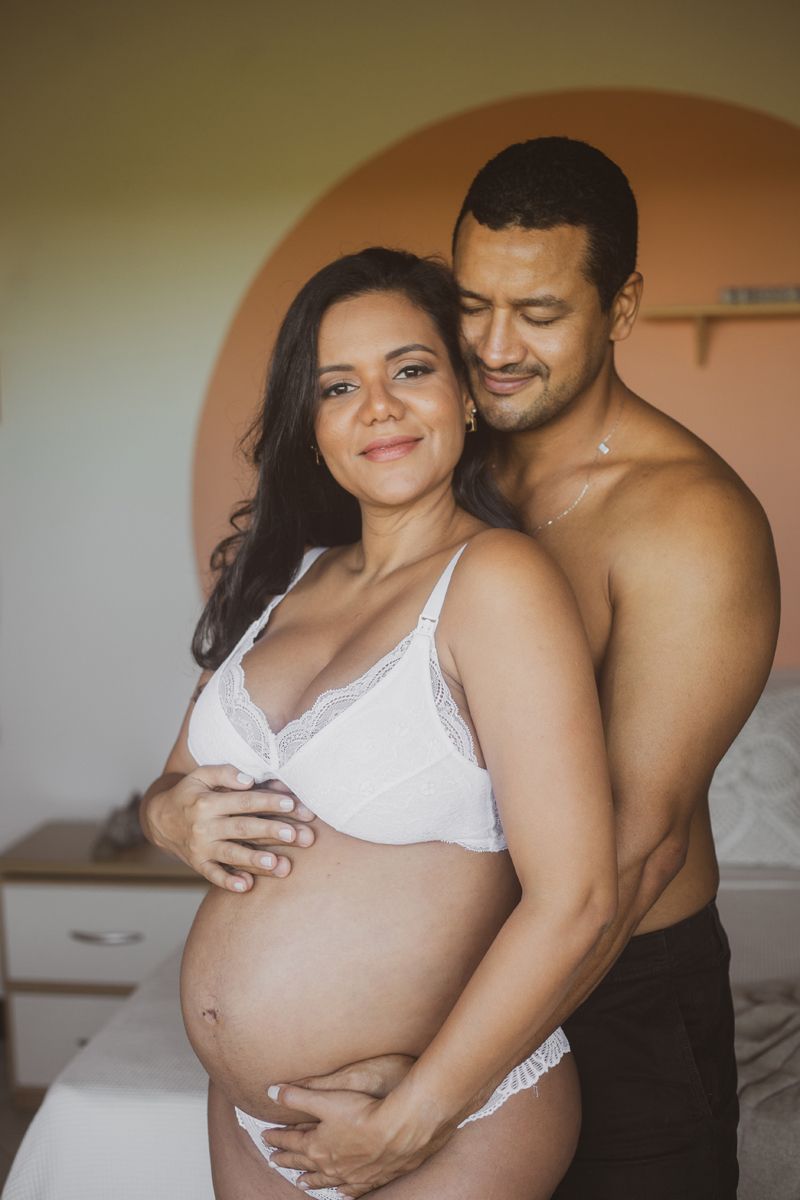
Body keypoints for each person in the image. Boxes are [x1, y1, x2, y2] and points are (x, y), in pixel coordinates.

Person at [142, 139, 780, 1198]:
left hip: (615, 987)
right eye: (472, 306)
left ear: (620, 307)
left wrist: (439, 1084)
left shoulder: (686, 522)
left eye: (539, 313)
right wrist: (172, 812)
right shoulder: (426, 453)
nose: (493, 345)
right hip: (440, 1001)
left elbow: (629, 855)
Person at [146, 246, 618, 1199]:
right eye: (338, 386)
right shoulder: (287, 579)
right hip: (253, 1122)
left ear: (466, 394)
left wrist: (416, 1118)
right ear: (311, 423)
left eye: (410, 369)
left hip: (444, 1121)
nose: (378, 407)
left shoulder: (499, 583)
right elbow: (172, 785)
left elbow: (578, 898)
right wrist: (169, 818)